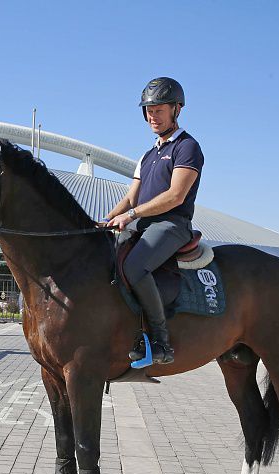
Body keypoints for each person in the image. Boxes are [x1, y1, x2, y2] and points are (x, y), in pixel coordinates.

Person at [104, 77, 204, 368]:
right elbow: (130, 198)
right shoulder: (147, 155)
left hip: (172, 224)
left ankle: (161, 341)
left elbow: (175, 196)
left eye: (159, 109)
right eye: (148, 110)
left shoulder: (187, 147)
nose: (152, 116)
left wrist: (132, 216)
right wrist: (107, 220)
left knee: (134, 266)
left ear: (177, 109)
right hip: (143, 223)